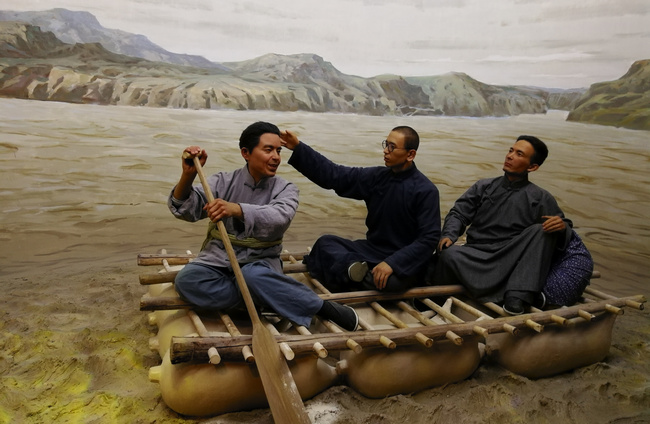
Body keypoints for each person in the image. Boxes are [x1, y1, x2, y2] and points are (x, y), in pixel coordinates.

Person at [168, 121, 358, 331]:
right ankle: (268, 298)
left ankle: (321, 307)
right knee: (187, 281)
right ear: (246, 153)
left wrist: (237, 209)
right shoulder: (223, 181)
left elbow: (279, 218)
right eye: (268, 150)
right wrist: (188, 175)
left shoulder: (286, 189)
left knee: (252, 276)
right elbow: (187, 210)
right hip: (218, 258)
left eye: (278, 151)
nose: (276, 157)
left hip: (260, 262)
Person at [280, 126, 440, 293]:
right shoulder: (377, 177)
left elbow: (429, 239)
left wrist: (392, 263)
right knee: (325, 243)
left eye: (392, 147)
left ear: (410, 154)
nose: (386, 151)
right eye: (386, 144)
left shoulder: (426, 191)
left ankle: (353, 273)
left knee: (391, 282)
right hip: (372, 250)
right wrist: (298, 147)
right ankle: (353, 269)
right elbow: (335, 175)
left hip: (403, 259)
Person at [433, 135, 573, 315]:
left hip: (511, 259)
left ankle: (517, 295)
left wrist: (562, 226)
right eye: (510, 150)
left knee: (541, 230)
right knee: (449, 254)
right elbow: (459, 213)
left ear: (532, 167)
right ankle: (444, 297)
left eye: (519, 154)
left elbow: (564, 229)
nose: (510, 156)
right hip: (476, 254)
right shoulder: (484, 186)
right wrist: (449, 234)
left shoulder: (540, 197)